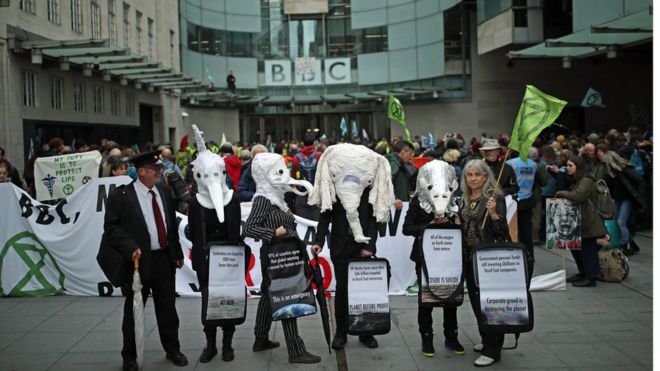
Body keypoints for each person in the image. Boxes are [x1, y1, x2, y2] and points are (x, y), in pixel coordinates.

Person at [101, 150, 188, 371]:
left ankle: (172, 348)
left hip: (163, 260)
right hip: (138, 262)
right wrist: (131, 247)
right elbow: (111, 228)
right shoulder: (121, 196)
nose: (160, 172)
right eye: (156, 169)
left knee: (167, 308)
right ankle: (129, 355)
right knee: (133, 310)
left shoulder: (163, 191)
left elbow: (170, 226)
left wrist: (176, 252)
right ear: (142, 172)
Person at [244, 153, 321, 364]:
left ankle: (260, 337)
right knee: (288, 297)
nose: (286, 176)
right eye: (280, 171)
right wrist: (273, 233)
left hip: (287, 253)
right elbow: (250, 228)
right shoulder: (262, 199)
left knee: (270, 294)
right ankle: (296, 350)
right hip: (276, 256)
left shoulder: (277, 199)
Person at [402, 162, 464, 358]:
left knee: (450, 298)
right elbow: (407, 228)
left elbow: (463, 229)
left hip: (449, 257)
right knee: (426, 299)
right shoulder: (417, 202)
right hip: (425, 259)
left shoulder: (455, 203)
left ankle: (451, 336)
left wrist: (455, 222)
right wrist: (429, 225)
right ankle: (426, 338)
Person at [188, 163, 245, 363]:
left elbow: (235, 230)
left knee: (229, 301)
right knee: (208, 302)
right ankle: (210, 344)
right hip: (205, 261)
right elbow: (192, 231)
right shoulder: (195, 203)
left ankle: (227, 345)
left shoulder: (232, 199)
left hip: (227, 260)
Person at [459, 159, 511, 367]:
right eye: (469, 175)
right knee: (475, 301)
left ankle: (493, 349)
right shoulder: (463, 198)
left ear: (485, 176)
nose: (473, 179)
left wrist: (493, 213)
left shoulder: (494, 197)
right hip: (469, 258)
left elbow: (504, 232)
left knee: (489, 303)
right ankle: (486, 337)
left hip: (488, 259)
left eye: (477, 175)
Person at [313, 190, 381, 350]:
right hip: (341, 248)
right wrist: (319, 241)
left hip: (362, 248)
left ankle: (365, 331)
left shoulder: (367, 189)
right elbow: (325, 216)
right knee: (342, 290)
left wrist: (369, 246)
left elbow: (373, 219)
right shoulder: (335, 188)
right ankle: (341, 333)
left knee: (364, 291)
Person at [555, 156, 607, 287]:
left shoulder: (586, 180)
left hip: (587, 221)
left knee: (587, 250)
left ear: (579, 167)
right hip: (578, 220)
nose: (567, 168)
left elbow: (579, 196)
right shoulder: (578, 180)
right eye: (567, 165)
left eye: (570, 165)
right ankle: (583, 272)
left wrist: (562, 193)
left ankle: (591, 276)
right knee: (576, 249)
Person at [601, 150, 646, 256]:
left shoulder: (625, 169)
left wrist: (638, 195)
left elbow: (640, 181)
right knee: (618, 223)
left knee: (621, 222)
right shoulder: (612, 173)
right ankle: (633, 244)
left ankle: (624, 245)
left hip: (627, 199)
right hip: (618, 199)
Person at [387, 140, 415, 209]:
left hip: (401, 204)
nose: (411, 157)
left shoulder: (400, 163)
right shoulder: (393, 163)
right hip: (395, 205)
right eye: (410, 154)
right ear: (403, 152)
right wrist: (394, 198)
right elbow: (386, 183)